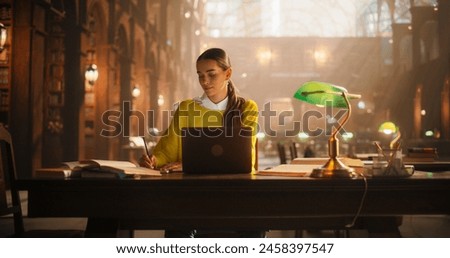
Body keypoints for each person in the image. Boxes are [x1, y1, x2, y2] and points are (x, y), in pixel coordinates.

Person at [140, 48, 263, 237]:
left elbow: (243, 160)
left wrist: (190, 165)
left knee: (253, 226)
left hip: (235, 193)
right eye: (200, 75)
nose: (204, 81)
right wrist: (154, 160)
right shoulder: (186, 108)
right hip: (192, 194)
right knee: (179, 224)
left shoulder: (247, 108)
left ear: (228, 73)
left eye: (211, 74)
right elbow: (168, 152)